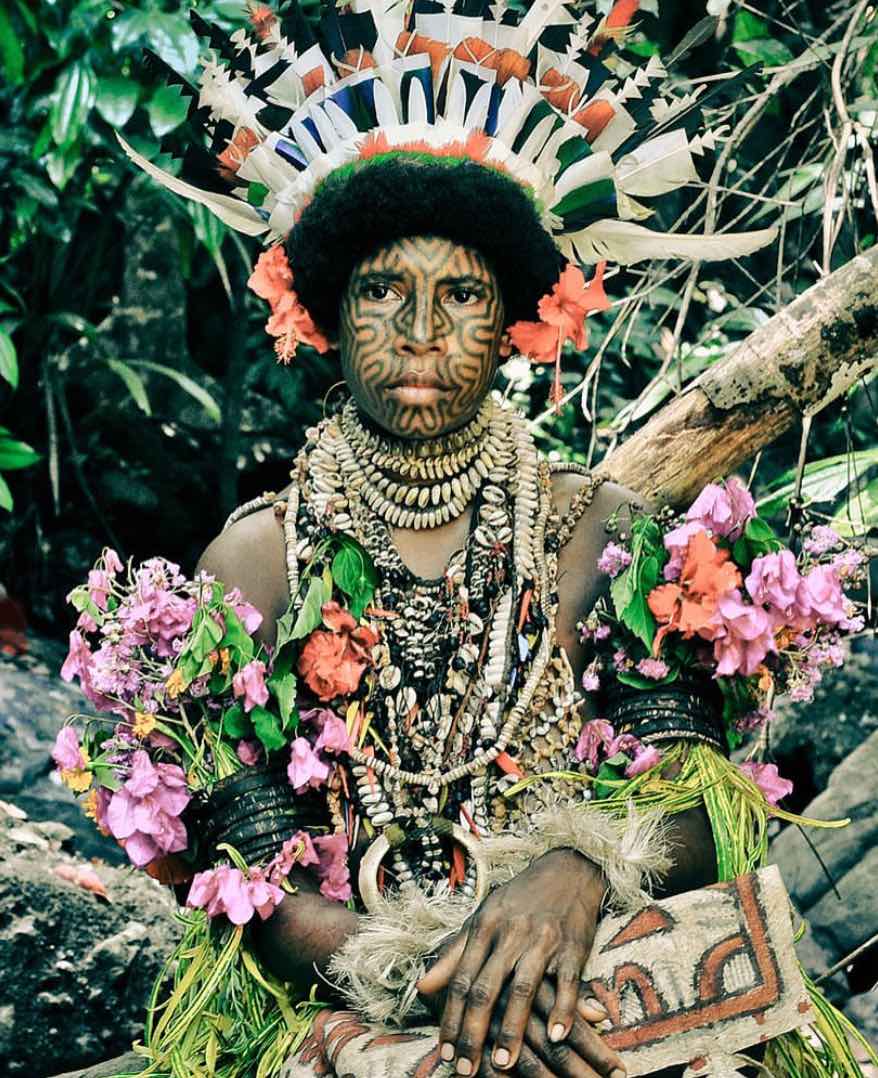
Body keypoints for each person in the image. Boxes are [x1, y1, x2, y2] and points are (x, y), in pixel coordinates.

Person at [71, 1, 870, 1075]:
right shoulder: (255, 561)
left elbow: (691, 804)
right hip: (356, 993)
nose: (419, 331)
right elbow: (257, 888)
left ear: (512, 326)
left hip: (584, 965)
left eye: (460, 295)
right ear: (325, 316)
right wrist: (459, 982)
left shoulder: (596, 529)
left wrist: (578, 872)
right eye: (381, 292)